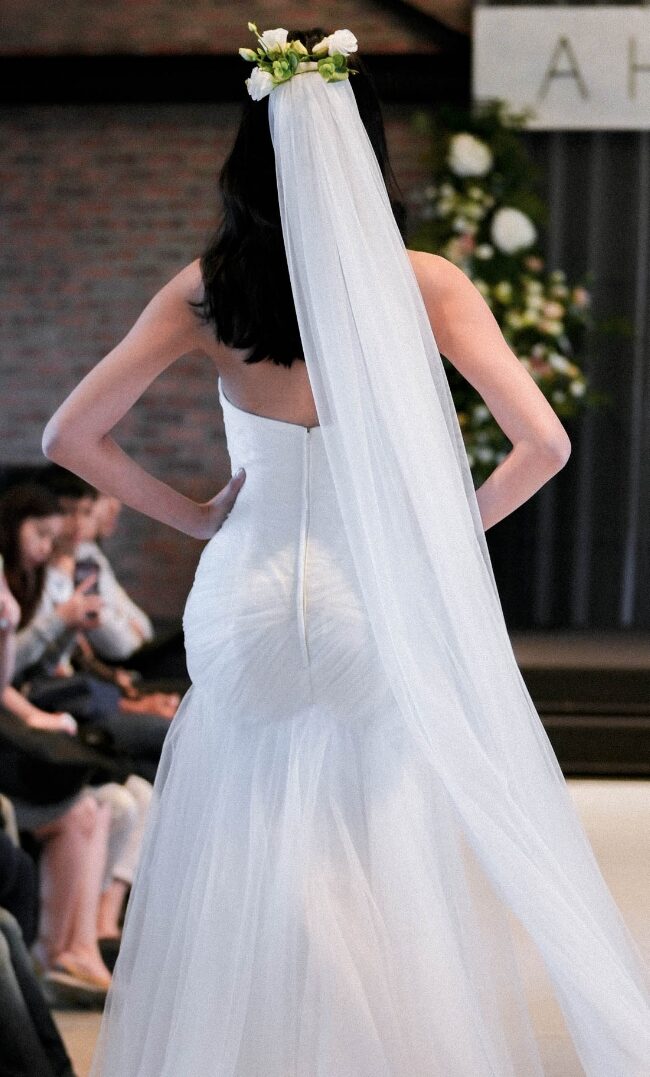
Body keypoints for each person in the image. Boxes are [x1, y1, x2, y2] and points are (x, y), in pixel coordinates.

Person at [42, 24, 649, 1077]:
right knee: (372, 865)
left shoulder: (208, 288)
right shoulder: (423, 284)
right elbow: (543, 445)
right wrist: (437, 534)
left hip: (245, 601)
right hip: (370, 603)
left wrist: (193, 515)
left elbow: (68, 437)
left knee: (246, 860)